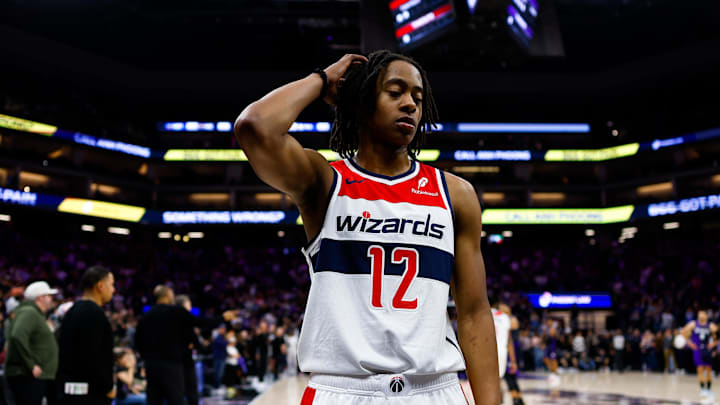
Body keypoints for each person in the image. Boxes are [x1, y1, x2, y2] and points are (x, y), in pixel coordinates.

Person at [234, 50, 499, 404]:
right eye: (395, 92)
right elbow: (255, 127)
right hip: (342, 390)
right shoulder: (325, 182)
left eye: (417, 98)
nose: (410, 105)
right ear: (363, 102)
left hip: (434, 389)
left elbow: (473, 313)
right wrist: (322, 80)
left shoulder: (456, 194)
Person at [135, 286, 235, 405]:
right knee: (177, 400)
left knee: (154, 401)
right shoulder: (176, 311)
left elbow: (138, 342)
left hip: (151, 366)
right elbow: (201, 323)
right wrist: (222, 317)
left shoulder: (145, 316)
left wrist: (146, 359)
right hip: (172, 365)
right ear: (168, 296)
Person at [57, 266, 116, 405]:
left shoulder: (72, 311)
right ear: (100, 286)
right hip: (90, 394)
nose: (113, 289)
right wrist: (108, 386)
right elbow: (93, 356)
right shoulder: (94, 313)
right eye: (111, 284)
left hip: (69, 390)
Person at [5, 281, 59, 405]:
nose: (51, 299)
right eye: (49, 296)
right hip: (27, 377)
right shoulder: (29, 312)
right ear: (40, 298)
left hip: (33, 377)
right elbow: (17, 336)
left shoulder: (34, 313)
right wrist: (31, 364)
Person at [682, 310, 718, 400]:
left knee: (709, 370)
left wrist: (713, 344)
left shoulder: (711, 326)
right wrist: (690, 344)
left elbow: (717, 336)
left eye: (702, 313)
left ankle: (709, 389)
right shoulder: (693, 324)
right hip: (697, 349)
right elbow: (683, 332)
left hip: (707, 349)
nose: (701, 315)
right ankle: (702, 389)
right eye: (699, 314)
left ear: (706, 315)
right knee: (700, 369)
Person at [498, 303, 525, 405]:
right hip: (508, 349)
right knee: (509, 377)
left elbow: (511, 336)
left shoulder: (511, 319)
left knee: (510, 377)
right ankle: (517, 399)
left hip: (512, 349)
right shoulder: (503, 320)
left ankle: (517, 399)